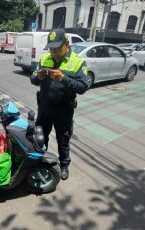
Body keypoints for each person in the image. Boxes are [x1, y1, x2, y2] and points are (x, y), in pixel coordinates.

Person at [30, 29, 89, 180]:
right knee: (40, 138)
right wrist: (38, 76)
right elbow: (33, 79)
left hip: (64, 111)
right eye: (51, 48)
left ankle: (64, 165)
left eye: (57, 48)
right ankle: (40, 161)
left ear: (67, 44)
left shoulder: (77, 62)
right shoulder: (44, 59)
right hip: (44, 108)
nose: (54, 52)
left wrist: (63, 78)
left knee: (63, 140)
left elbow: (83, 87)